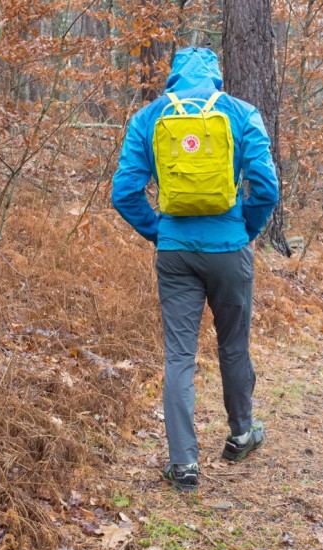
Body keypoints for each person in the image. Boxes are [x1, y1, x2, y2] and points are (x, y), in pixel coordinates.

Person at [111, 47, 280, 493]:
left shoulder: (148, 117)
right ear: (216, 76)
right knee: (233, 346)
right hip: (230, 249)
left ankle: (184, 464)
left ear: (172, 76)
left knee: (179, 356)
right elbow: (266, 187)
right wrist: (244, 229)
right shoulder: (242, 114)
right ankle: (241, 433)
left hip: (175, 253)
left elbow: (124, 192)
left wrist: (159, 232)